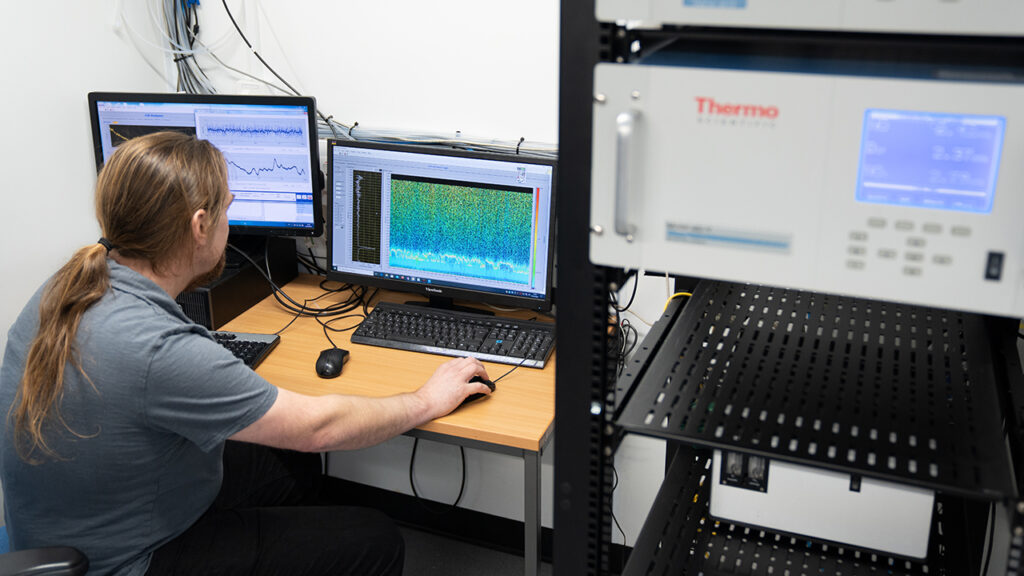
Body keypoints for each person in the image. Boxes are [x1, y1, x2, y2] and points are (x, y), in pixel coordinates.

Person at [0, 132, 493, 576]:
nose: (230, 222)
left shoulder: (70, 284)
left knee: (284, 462)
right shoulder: (157, 349)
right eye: (228, 208)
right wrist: (427, 400)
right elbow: (318, 426)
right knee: (373, 539)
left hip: (81, 524)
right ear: (199, 226)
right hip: (132, 560)